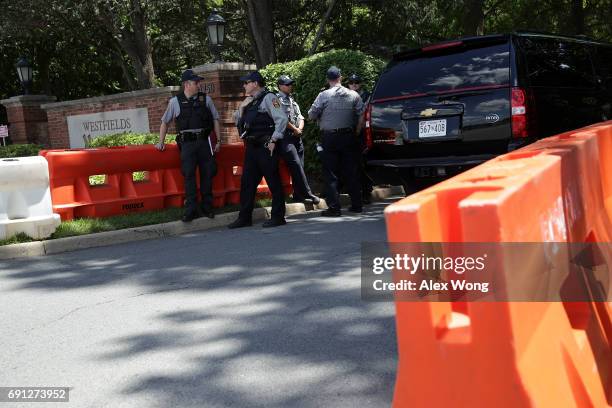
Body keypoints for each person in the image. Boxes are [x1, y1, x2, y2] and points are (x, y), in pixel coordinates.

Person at [155, 69, 221, 222]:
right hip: (187, 145)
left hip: (205, 143)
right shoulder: (175, 102)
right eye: (196, 82)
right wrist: (161, 142)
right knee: (189, 176)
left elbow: (216, 119)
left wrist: (218, 141)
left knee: (207, 175)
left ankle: (207, 207)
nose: (199, 85)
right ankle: (191, 210)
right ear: (186, 84)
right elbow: (165, 122)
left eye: (199, 82)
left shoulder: (206, 100)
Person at [228, 71, 289, 229]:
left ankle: (278, 216)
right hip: (252, 148)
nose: (244, 85)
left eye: (246, 82)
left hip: (266, 146)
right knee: (247, 183)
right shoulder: (250, 101)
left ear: (255, 83)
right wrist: (241, 108)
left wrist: (274, 139)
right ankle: (244, 218)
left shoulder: (270, 98)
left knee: (273, 181)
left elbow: (281, 119)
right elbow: (237, 122)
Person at [308, 66, 365, 217]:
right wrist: (357, 131)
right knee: (351, 170)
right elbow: (361, 114)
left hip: (330, 137)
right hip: (349, 136)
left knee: (331, 173)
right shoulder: (353, 95)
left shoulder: (323, 95)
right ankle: (357, 205)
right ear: (341, 77)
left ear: (328, 79)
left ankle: (334, 208)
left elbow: (312, 115)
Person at [275, 75, 320, 205]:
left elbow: (300, 116)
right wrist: (295, 129)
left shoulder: (292, 100)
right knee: (296, 164)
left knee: (300, 165)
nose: (290, 86)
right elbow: (281, 117)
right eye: (287, 84)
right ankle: (308, 193)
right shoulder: (276, 100)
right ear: (280, 86)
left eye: (290, 84)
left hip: (296, 136)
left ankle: (298, 195)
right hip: (285, 137)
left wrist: (299, 129)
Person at [347, 73, 374, 204]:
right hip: (348, 132)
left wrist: (358, 129)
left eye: (356, 82)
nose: (354, 85)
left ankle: (367, 192)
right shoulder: (345, 96)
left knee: (362, 163)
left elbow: (364, 113)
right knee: (351, 164)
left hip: (362, 133)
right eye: (351, 83)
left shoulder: (366, 96)